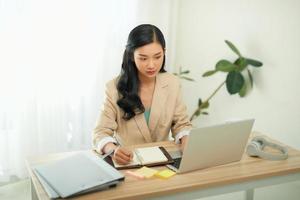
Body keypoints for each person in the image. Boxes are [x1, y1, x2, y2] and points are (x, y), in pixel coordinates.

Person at [93, 24, 192, 165]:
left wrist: (186, 141)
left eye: (157, 57)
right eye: (143, 58)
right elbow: (100, 132)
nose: (151, 65)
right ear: (132, 55)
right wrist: (113, 150)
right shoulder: (113, 88)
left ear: (164, 52)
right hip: (129, 163)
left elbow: (182, 124)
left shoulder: (172, 83)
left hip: (164, 162)